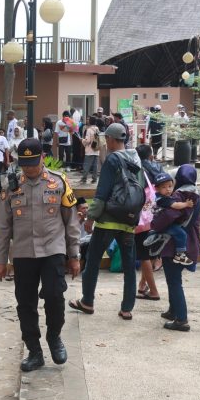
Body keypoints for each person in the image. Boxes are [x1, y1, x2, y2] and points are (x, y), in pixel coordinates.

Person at [0, 138, 80, 371]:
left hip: (53, 250)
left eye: (33, 163)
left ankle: (54, 336)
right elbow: (3, 227)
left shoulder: (58, 182)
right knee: (25, 303)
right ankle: (34, 350)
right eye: (25, 164)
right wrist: (0, 260)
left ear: (42, 157)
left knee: (54, 296)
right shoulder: (10, 187)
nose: (29, 168)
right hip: (23, 253)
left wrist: (74, 255)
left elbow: (71, 221)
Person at [69, 123, 144, 319]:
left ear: (111, 139)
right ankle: (127, 308)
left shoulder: (112, 159)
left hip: (108, 221)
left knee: (92, 261)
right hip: (128, 220)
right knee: (129, 267)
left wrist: (90, 218)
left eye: (106, 139)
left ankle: (87, 302)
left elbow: (102, 194)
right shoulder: (136, 158)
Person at [150, 165, 200, 332]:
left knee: (174, 282)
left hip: (173, 245)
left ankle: (181, 319)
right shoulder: (197, 194)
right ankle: (173, 310)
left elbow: (166, 217)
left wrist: (154, 223)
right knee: (174, 279)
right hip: (190, 241)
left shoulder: (180, 195)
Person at [149, 172, 195, 265]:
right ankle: (180, 254)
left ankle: (155, 235)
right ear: (157, 188)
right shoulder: (164, 199)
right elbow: (175, 205)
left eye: (170, 186)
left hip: (158, 222)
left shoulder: (159, 197)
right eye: (164, 187)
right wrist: (186, 204)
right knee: (182, 234)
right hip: (164, 224)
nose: (168, 189)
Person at [135, 144, 163, 300]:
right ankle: (142, 285)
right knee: (151, 250)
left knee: (144, 254)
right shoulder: (158, 168)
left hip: (142, 219)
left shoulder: (138, 171)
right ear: (151, 155)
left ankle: (153, 291)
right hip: (158, 215)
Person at [80, 116, 100, 184]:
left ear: (90, 121)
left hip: (89, 150)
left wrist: (82, 140)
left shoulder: (89, 130)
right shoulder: (97, 129)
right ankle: (94, 179)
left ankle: (84, 178)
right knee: (95, 166)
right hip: (96, 150)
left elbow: (88, 141)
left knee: (86, 165)